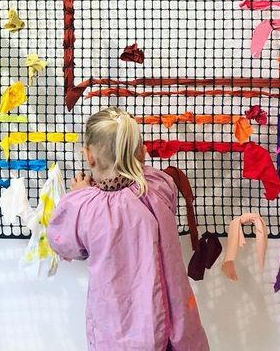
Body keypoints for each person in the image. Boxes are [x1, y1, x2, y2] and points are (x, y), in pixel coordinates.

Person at [47, 107, 210, 351]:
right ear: (142, 154)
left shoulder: (83, 207)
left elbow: (65, 244)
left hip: (116, 330)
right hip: (172, 324)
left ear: (88, 156)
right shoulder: (159, 186)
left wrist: (79, 194)